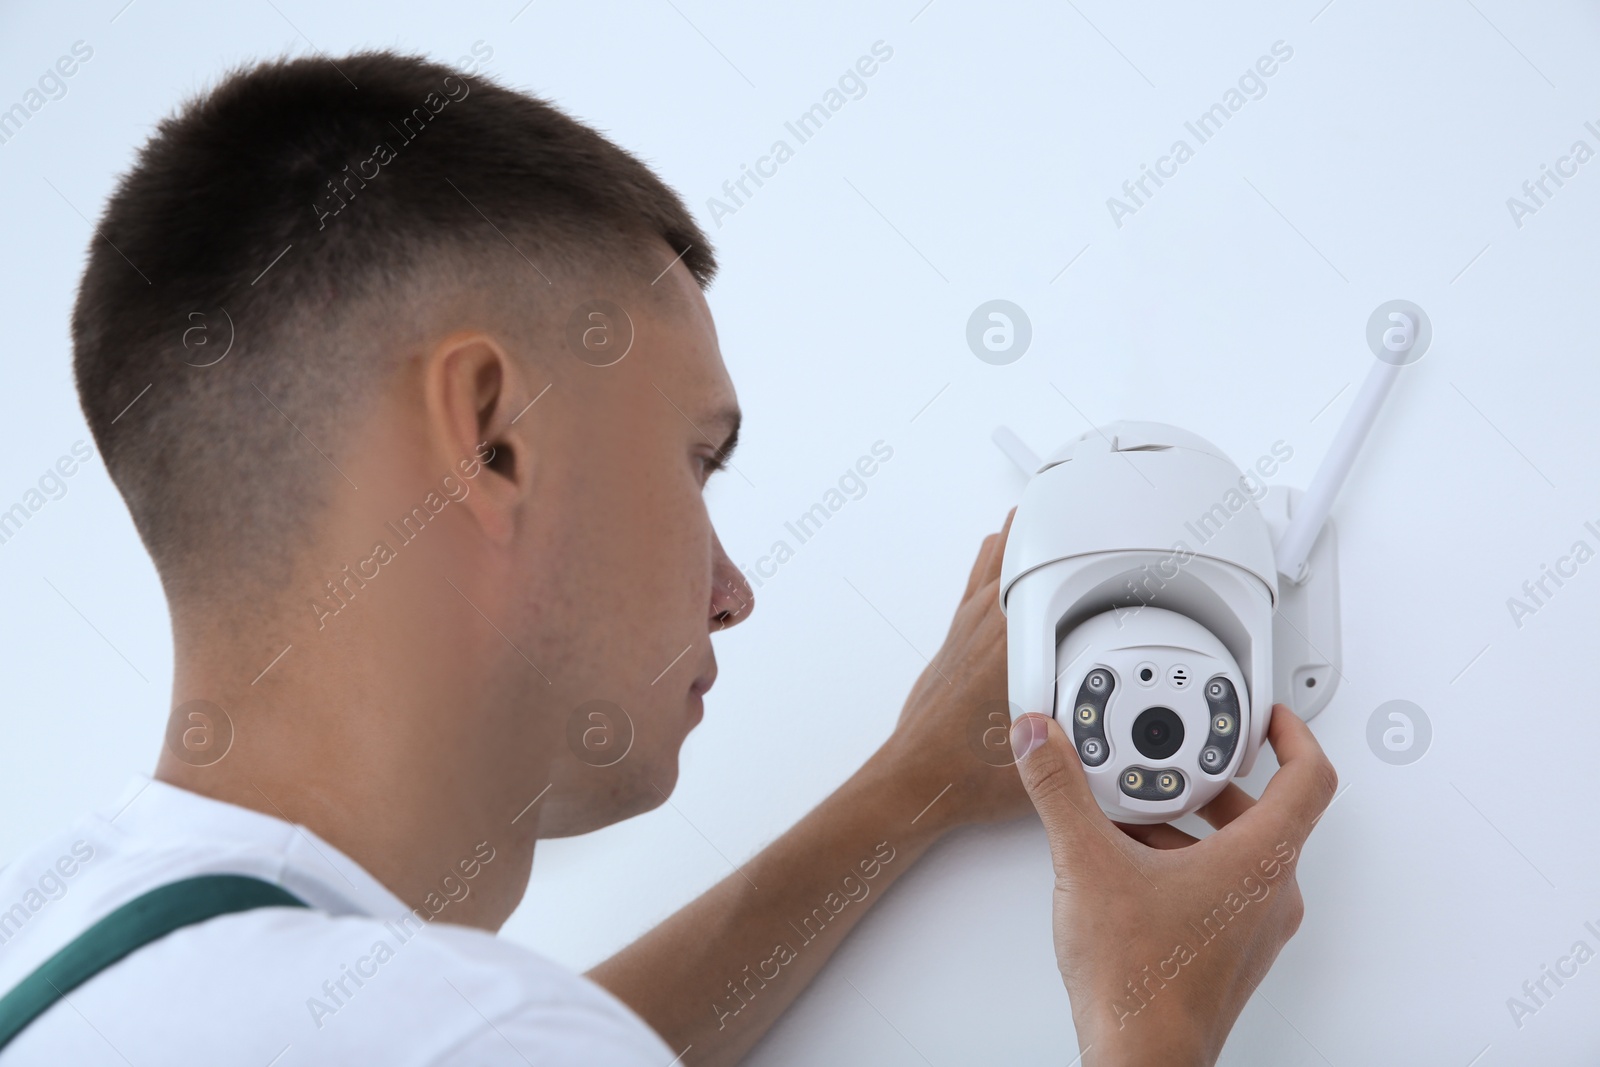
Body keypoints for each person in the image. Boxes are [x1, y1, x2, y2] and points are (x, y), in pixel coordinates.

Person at [0, 51, 1336, 1065]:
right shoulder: (446, 1032)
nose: (734, 589)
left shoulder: (73, 950)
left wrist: (907, 793)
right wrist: (1151, 1029)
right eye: (698, 461)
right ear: (490, 441)